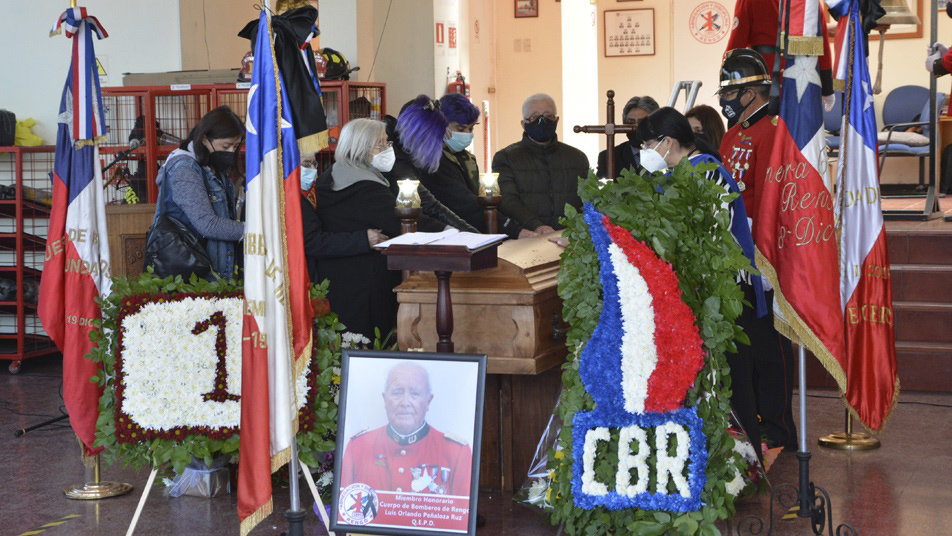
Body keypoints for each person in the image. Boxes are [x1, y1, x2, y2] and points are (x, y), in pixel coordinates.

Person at [637, 106, 768, 454]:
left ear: (666, 142)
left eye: (648, 144)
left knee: (732, 380)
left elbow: (702, 238)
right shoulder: (680, 172)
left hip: (723, 290)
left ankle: (746, 458)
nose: (645, 153)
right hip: (700, 289)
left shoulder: (707, 173)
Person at [717, 49, 798, 452]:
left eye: (731, 94)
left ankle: (779, 427)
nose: (725, 101)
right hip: (733, 252)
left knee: (769, 349)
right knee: (745, 346)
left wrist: (760, 252)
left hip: (761, 253)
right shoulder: (734, 133)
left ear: (751, 93)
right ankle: (751, 421)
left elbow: (771, 196)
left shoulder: (772, 131)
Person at [313, 118, 403, 341]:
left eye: (387, 144)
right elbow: (401, 221)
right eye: (379, 145)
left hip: (336, 280)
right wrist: (451, 231)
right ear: (361, 148)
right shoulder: (366, 186)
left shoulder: (332, 175)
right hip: (366, 283)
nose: (386, 150)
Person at [340, 362, 473, 496]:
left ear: (428, 401)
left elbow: (461, 513)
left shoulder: (456, 452)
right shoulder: (357, 447)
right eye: (397, 392)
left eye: (415, 393)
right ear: (385, 399)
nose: (405, 403)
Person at [151, 105, 245, 280]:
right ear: (204, 139)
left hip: (215, 267)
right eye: (226, 145)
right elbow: (207, 224)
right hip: (192, 274)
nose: (231, 152)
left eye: (236, 146)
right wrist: (253, 231)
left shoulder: (212, 166)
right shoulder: (184, 168)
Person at [412, 93, 521, 236]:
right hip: (449, 234)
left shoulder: (466, 158)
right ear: (441, 125)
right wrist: (509, 228)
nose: (467, 134)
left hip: (471, 231)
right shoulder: (433, 160)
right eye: (461, 129)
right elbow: (464, 203)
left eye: (471, 129)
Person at [492, 93, 589, 234]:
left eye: (547, 116)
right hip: (528, 238)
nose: (541, 121)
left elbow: (587, 201)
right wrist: (536, 225)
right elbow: (508, 200)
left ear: (556, 120)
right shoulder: (506, 158)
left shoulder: (577, 157)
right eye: (534, 117)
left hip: (570, 239)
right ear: (523, 124)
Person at [383, 95, 479, 233]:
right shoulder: (394, 159)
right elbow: (430, 205)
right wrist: (470, 234)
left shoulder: (403, 148)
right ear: (420, 135)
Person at [299, 155, 389, 283]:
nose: (313, 169)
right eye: (306, 164)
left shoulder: (311, 192)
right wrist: (363, 239)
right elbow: (313, 242)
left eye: (315, 164)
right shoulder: (293, 198)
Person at [595, 95, 659, 179]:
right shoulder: (609, 157)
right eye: (630, 122)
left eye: (642, 122)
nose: (636, 127)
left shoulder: (669, 153)